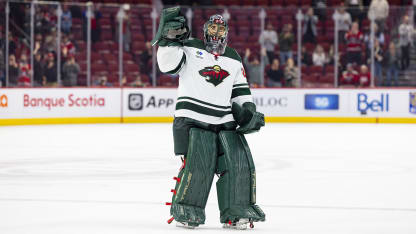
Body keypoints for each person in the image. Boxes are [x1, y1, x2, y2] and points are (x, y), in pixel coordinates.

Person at [152, 7, 265, 229]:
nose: (217, 31)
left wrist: (248, 111)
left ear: (226, 32)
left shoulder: (233, 58)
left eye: (220, 28)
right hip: (192, 118)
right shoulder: (190, 46)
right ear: (205, 30)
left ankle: (237, 211)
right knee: (199, 165)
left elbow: (241, 91)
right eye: (212, 27)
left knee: (237, 164)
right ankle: (187, 209)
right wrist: (168, 41)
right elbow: (167, 65)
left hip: (224, 121)